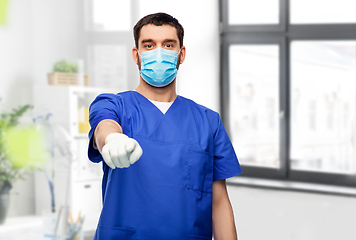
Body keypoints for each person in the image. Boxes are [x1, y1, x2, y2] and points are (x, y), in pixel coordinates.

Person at [88, 12, 242, 240]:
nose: (158, 53)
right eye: (149, 45)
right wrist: (112, 139)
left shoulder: (208, 121)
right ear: (136, 55)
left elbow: (219, 202)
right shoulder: (115, 105)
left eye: (168, 45)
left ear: (181, 55)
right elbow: (104, 126)